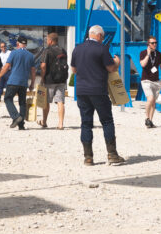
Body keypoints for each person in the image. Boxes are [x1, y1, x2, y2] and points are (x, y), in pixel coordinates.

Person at [71, 25, 124, 165]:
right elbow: (111, 68)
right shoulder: (102, 49)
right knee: (107, 121)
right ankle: (112, 154)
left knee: (86, 123)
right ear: (99, 35)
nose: (103, 38)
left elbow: (74, 70)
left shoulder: (77, 48)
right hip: (98, 90)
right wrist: (117, 62)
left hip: (82, 91)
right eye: (103, 36)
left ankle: (88, 157)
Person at [0, 36, 36, 129]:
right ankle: (21, 125)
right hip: (24, 82)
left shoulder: (13, 53)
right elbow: (33, 71)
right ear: (26, 44)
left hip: (13, 81)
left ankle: (15, 117)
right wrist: (32, 84)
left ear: (17, 44)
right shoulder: (31, 56)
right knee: (22, 102)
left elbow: (6, 67)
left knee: (7, 98)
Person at [36, 31, 69, 129]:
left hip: (49, 80)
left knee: (46, 102)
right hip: (61, 80)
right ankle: (60, 124)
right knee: (60, 101)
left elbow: (43, 66)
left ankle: (45, 122)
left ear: (50, 41)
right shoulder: (63, 50)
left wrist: (42, 78)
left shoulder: (47, 51)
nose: (47, 42)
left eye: (47, 40)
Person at [138, 37, 161, 129]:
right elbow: (143, 64)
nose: (155, 44)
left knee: (153, 102)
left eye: (155, 43)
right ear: (148, 44)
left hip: (156, 81)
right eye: (152, 43)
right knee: (150, 98)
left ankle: (150, 121)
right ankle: (146, 118)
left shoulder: (159, 54)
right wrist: (148, 55)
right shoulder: (143, 53)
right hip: (146, 80)